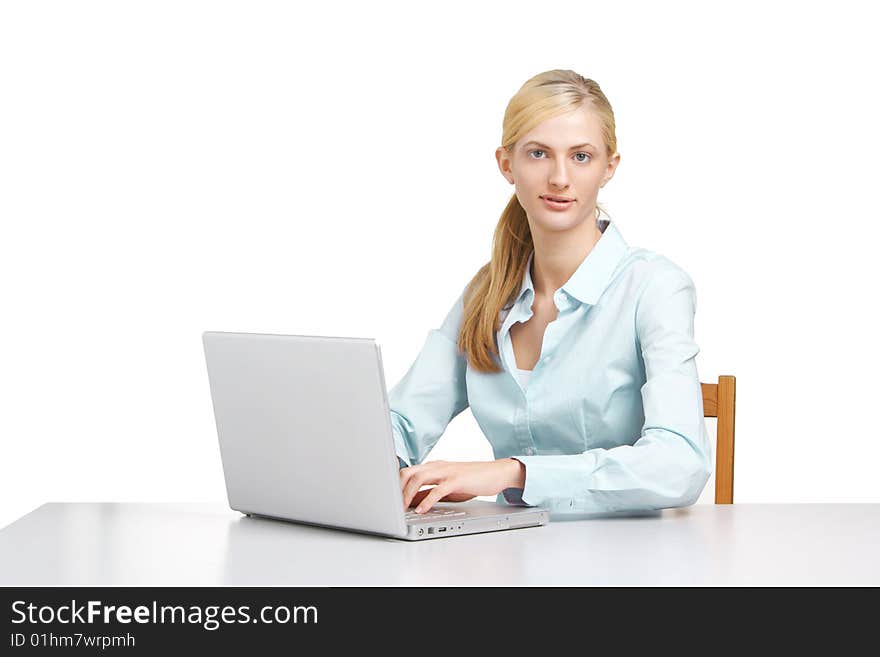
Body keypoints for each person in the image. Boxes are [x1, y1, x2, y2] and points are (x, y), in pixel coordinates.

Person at [391, 69, 712, 518]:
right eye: (539, 153)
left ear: (609, 167)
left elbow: (680, 464)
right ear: (507, 164)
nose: (560, 177)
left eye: (581, 156)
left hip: (627, 566)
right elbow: (401, 421)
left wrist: (514, 473)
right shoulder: (485, 294)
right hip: (506, 557)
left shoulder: (654, 287)